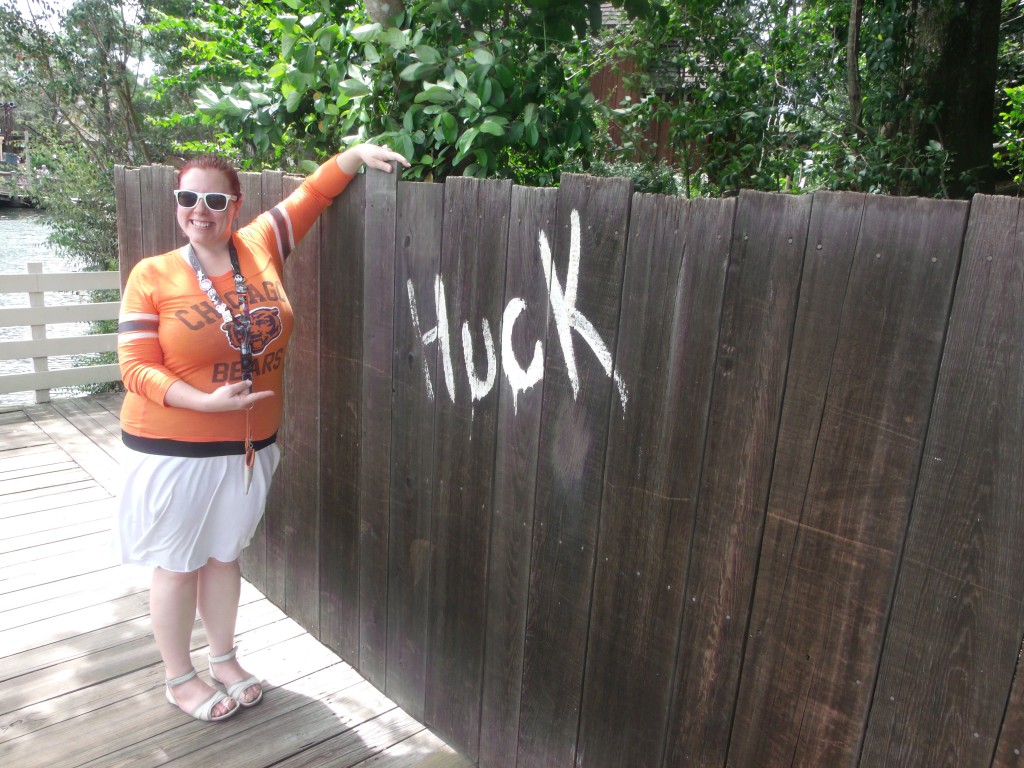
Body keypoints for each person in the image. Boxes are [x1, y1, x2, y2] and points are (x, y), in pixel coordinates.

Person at [116, 144, 409, 721]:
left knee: (224, 556)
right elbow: (135, 368)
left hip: (250, 444)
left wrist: (354, 154)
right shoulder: (153, 275)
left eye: (214, 199)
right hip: (175, 445)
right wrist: (202, 401)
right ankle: (180, 678)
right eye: (188, 198)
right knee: (179, 563)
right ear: (178, 204)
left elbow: (312, 196)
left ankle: (223, 659)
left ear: (235, 204)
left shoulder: (258, 245)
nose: (200, 210)